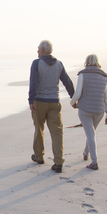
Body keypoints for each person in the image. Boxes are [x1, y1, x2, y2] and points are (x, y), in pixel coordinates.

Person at [28, 40, 75, 173]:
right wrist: (74, 97)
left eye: (38, 49)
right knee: (57, 132)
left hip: (39, 102)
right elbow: (67, 82)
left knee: (39, 129)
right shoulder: (59, 64)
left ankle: (39, 156)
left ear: (42, 50)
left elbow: (33, 82)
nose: (37, 51)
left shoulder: (36, 63)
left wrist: (31, 100)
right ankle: (58, 162)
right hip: (54, 102)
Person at [70, 54, 107, 170]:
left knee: (90, 134)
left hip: (85, 110)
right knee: (91, 132)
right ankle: (85, 153)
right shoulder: (104, 76)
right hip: (99, 110)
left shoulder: (82, 75)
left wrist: (72, 103)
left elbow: (77, 94)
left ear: (86, 62)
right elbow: (106, 97)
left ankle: (94, 161)